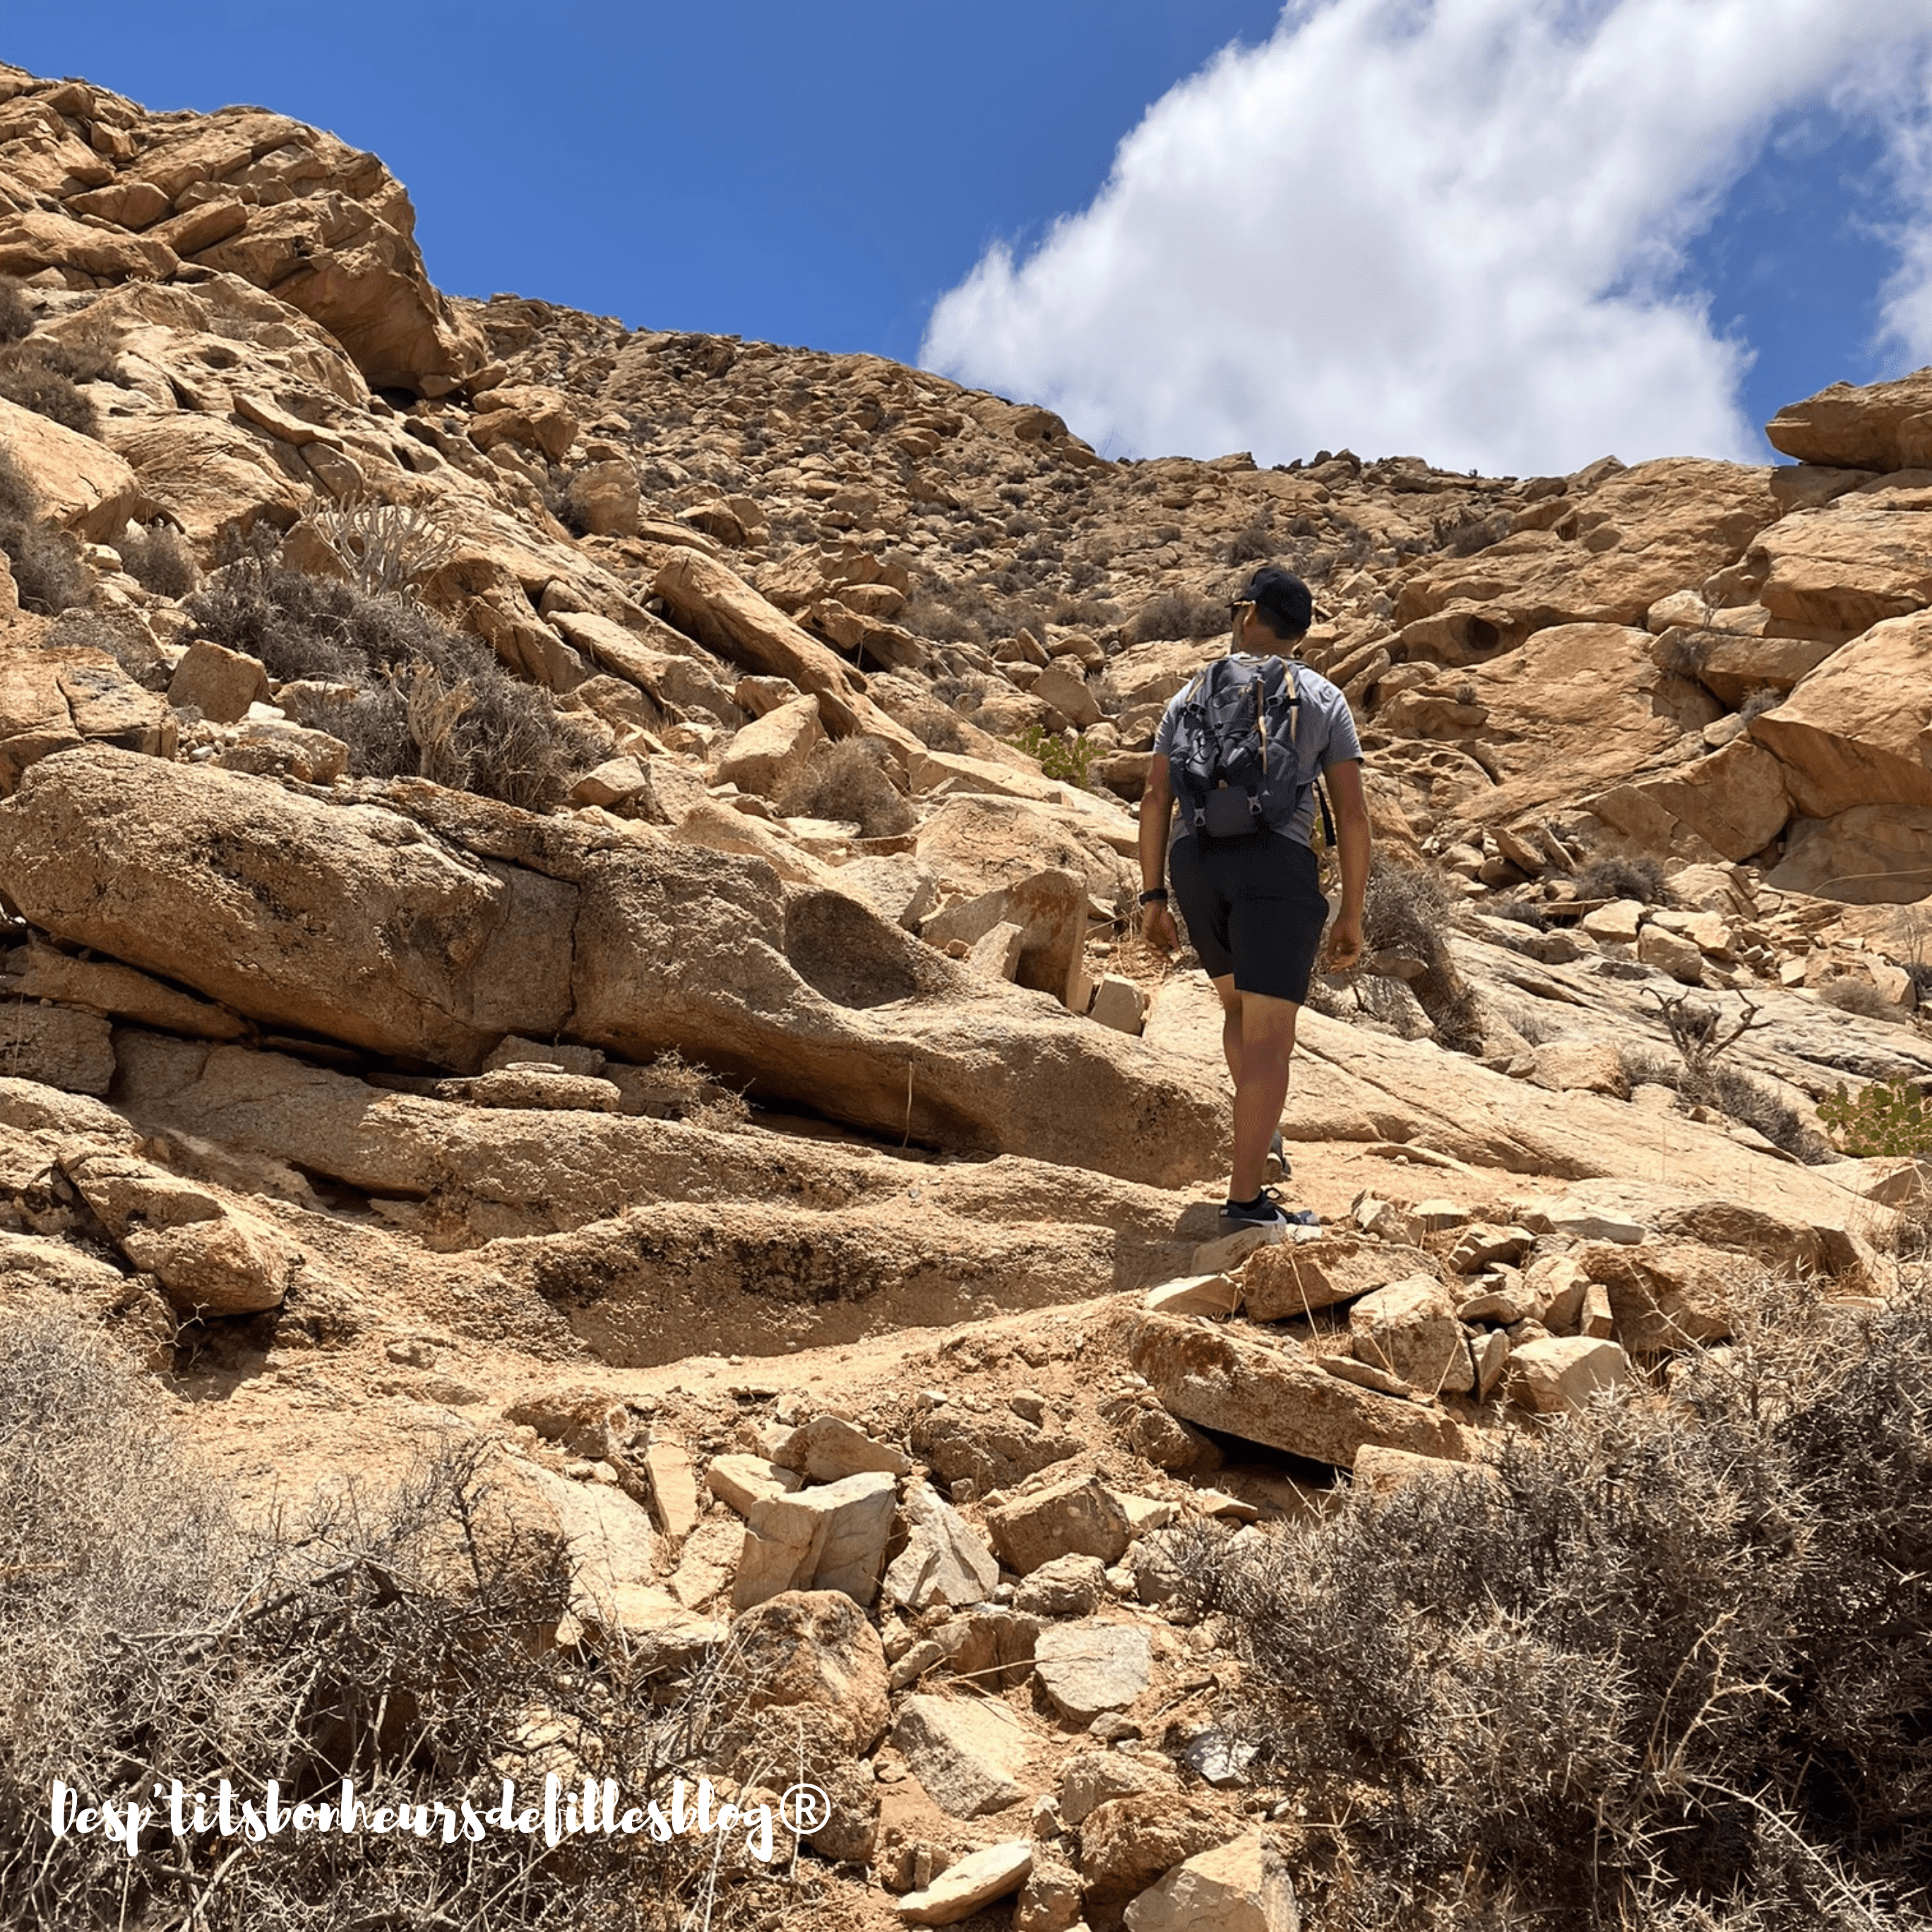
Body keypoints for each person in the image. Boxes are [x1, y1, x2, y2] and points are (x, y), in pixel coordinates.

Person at [1138, 565, 1371, 1232]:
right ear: (1300, 632)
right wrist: (1352, 913)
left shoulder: (1190, 693)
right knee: (1272, 1036)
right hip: (1275, 863)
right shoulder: (1322, 696)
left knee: (1239, 1009)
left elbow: (1154, 796)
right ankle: (1245, 1205)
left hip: (1195, 863)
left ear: (1246, 615)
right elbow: (1353, 813)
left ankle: (1258, 1136)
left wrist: (1152, 896)